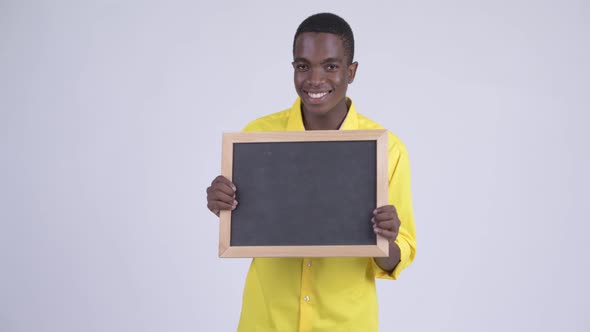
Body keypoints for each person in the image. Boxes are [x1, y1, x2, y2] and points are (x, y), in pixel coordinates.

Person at [206, 12, 417, 332]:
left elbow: (398, 256)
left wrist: (385, 239)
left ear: (352, 71)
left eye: (331, 66)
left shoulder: (386, 149)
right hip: (267, 321)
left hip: (346, 324)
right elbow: (246, 224)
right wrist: (223, 205)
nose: (315, 79)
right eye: (303, 66)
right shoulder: (257, 138)